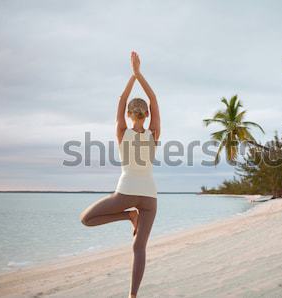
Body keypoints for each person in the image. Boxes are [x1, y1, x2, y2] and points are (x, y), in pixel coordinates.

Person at [79, 51, 160, 298]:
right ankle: (132, 296)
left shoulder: (122, 131)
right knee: (139, 248)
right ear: (146, 115)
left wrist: (132, 76)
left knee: (86, 219)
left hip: (125, 193)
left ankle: (128, 217)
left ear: (128, 115)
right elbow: (154, 98)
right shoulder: (153, 133)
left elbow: (122, 98)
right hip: (150, 197)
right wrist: (139, 74)